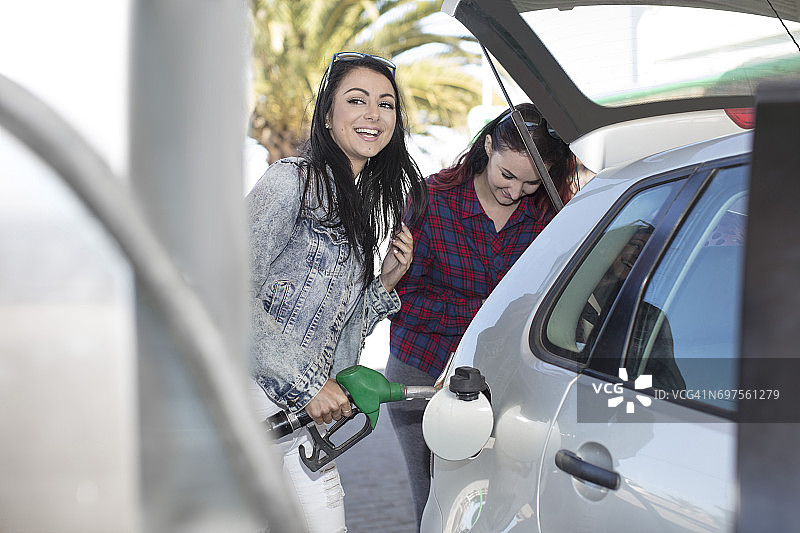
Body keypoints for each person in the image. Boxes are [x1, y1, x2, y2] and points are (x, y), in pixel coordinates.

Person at [246, 51, 427, 533]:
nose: (374, 114)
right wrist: (307, 385)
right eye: (357, 100)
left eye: (386, 104)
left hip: (304, 422)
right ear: (328, 115)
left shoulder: (357, 210)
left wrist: (384, 281)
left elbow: (336, 336)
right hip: (253, 409)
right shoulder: (291, 183)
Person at [385, 103, 578, 529]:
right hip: (424, 372)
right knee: (436, 504)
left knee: (501, 506)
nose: (515, 191)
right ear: (487, 145)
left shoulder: (550, 217)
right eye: (507, 175)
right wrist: (492, 315)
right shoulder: (431, 199)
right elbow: (404, 297)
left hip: (508, 381)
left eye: (530, 183)